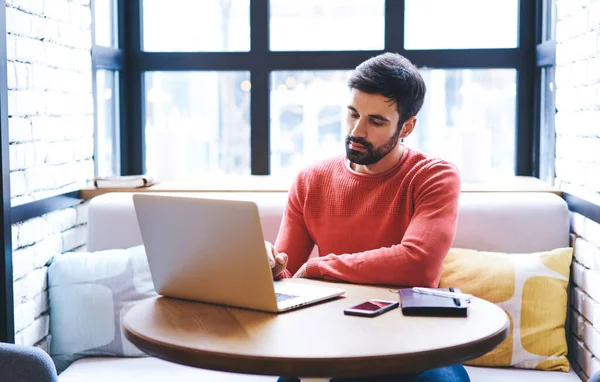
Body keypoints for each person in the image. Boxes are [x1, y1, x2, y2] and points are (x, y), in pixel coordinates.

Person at [265, 52, 467, 382]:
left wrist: (321, 266)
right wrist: (268, 265)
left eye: (376, 121)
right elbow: (289, 276)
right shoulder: (310, 180)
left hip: (414, 343)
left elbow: (418, 263)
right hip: (331, 336)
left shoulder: (434, 176)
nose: (357, 131)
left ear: (407, 126)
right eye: (353, 114)